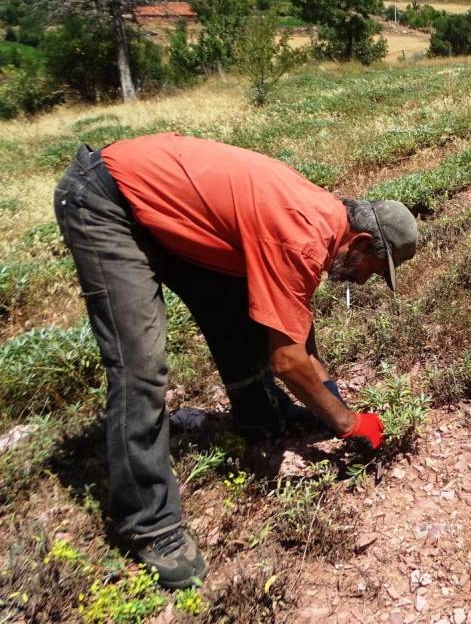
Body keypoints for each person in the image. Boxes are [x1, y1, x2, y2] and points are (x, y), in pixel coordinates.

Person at [53, 133, 419, 588]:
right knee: (139, 366)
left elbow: (295, 328)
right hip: (106, 201)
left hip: (156, 204)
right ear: (360, 243)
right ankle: (150, 524)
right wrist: (347, 423)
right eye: (375, 270)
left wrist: (326, 396)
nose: (365, 282)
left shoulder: (322, 217)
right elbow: (287, 359)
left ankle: (260, 414)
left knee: (231, 300)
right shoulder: (301, 236)